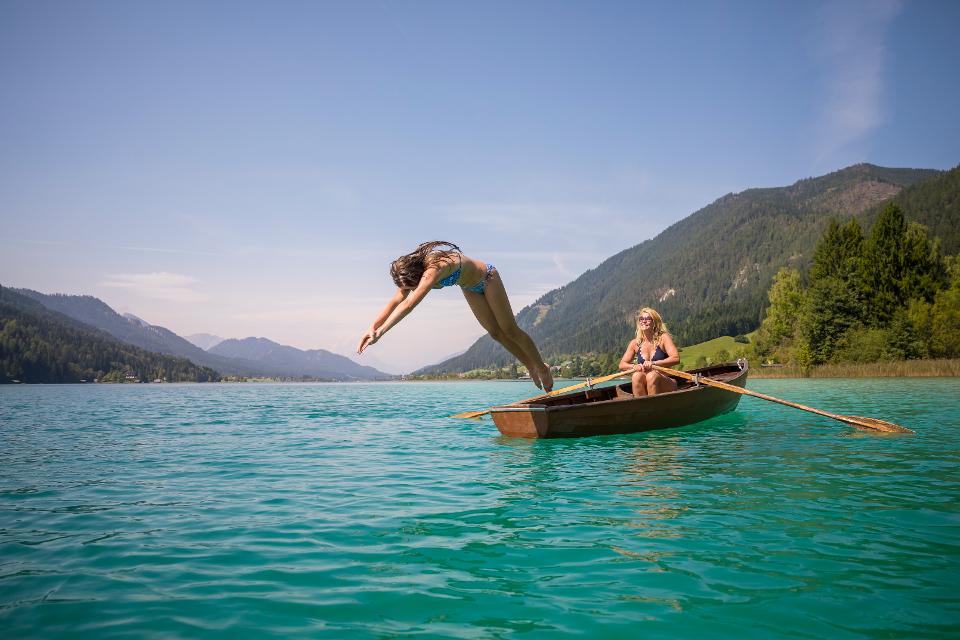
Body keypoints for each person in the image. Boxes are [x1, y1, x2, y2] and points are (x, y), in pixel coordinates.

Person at [357, 241, 554, 392]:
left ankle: (541, 367)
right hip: (469, 287)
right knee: (495, 333)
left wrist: (381, 332)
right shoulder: (412, 275)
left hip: (488, 278)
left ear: (417, 274)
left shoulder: (434, 268)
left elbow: (409, 305)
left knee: (509, 329)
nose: (410, 290)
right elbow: (397, 300)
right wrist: (372, 327)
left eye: (412, 287)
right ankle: (530, 365)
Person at [619, 307, 680, 397]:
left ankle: (653, 404)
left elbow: (676, 358)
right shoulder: (635, 343)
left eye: (648, 318)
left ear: (654, 322)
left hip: (666, 383)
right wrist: (634, 366)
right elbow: (622, 365)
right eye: (641, 319)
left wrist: (654, 363)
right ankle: (643, 405)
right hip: (646, 382)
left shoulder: (663, 338)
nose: (644, 321)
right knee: (636, 376)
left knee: (652, 376)